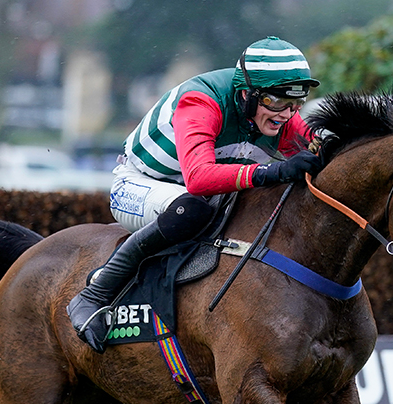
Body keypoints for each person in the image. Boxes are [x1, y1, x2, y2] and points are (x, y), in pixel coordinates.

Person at [67, 36, 324, 353]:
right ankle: (95, 294)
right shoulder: (201, 101)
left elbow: (321, 153)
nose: (286, 114)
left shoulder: (275, 112)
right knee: (191, 210)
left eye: (295, 103)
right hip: (139, 185)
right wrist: (273, 171)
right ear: (247, 94)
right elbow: (200, 179)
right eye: (276, 102)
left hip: (205, 193)